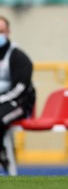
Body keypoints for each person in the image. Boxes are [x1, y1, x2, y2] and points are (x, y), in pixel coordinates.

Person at [0, 16, 36, 174]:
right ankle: (2, 152)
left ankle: (3, 154)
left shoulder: (18, 57)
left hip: (21, 103)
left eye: (1, 31)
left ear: (8, 32)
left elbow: (20, 89)